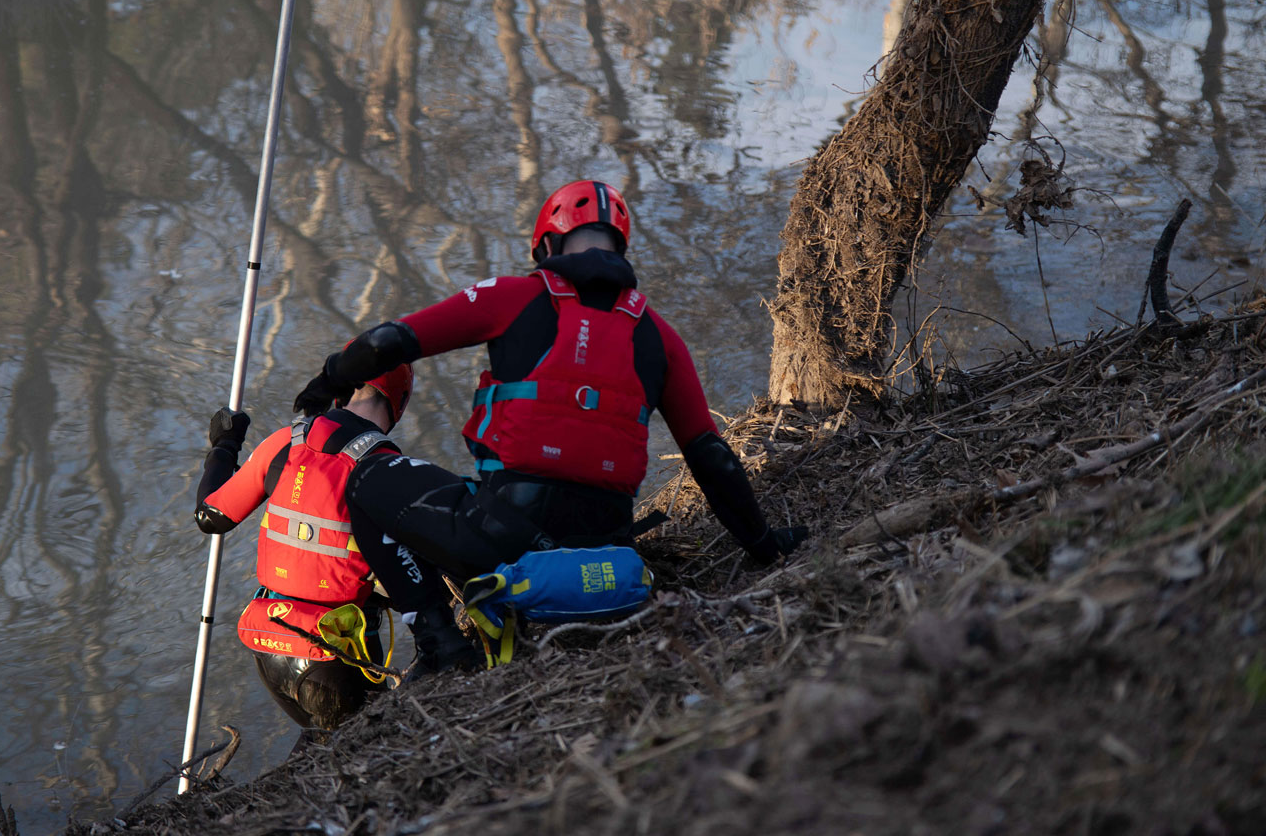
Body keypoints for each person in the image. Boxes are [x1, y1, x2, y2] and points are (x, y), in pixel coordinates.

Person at [293, 179, 807, 673]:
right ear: (621, 249)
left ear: (546, 246)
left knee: (365, 480)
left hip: (501, 541)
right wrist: (765, 546)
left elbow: (385, 344)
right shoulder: (661, 337)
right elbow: (711, 458)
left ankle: (441, 644)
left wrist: (324, 385)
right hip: (608, 554)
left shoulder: (514, 296)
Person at [192, 366, 418, 728]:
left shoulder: (284, 441)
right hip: (334, 655)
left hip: (270, 645)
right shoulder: (383, 464)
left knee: (323, 746)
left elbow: (210, 517)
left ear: (344, 393)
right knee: (355, 746)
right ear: (401, 403)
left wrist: (224, 445)